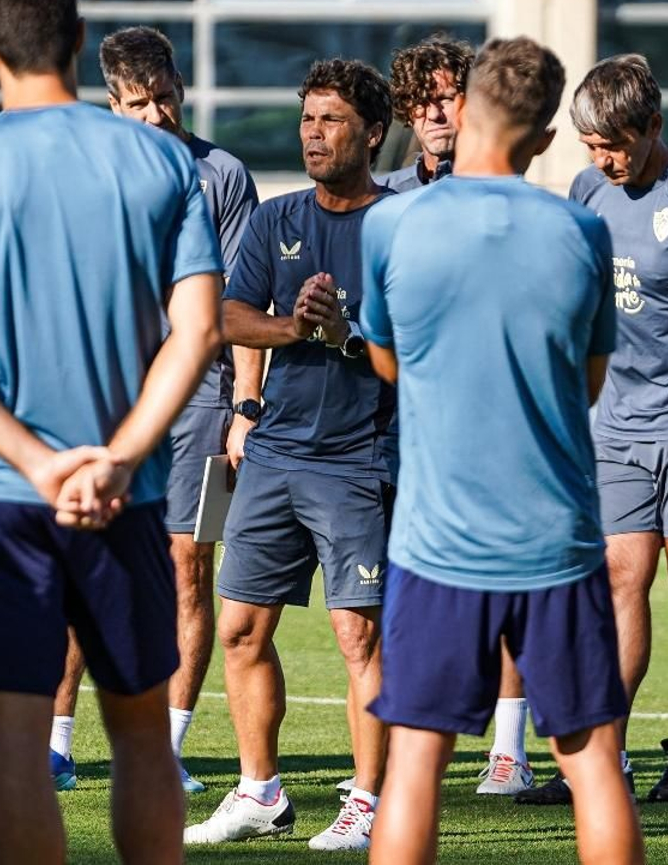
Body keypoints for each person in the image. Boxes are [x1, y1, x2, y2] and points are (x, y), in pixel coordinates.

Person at [0, 0, 223, 860]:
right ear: (80, 42)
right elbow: (194, 334)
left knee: (17, 759)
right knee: (144, 742)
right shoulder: (163, 160)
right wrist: (117, 458)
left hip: (4, 496)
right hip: (131, 495)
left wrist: (41, 466)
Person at [361, 34, 644, 865]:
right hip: (557, 543)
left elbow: (388, 363)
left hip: (437, 547)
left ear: (468, 107)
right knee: (593, 763)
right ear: (549, 139)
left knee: (414, 765)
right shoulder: (583, 234)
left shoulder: (391, 224)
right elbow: (588, 381)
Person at [519, 52, 668, 806]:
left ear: (654, 126)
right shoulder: (589, 188)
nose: (604, 159)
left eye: (617, 144)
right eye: (592, 146)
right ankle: (606, 758)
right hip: (618, 419)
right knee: (621, 577)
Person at [184, 58, 396, 852]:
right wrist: (296, 329)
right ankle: (259, 792)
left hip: (360, 458)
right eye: (308, 118)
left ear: (373, 133)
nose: (314, 133)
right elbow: (230, 316)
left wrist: (346, 333)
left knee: (359, 638)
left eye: (331, 119)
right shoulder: (276, 221)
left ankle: (369, 802)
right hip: (273, 453)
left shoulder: (399, 225)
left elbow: (418, 338)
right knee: (239, 628)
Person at [45, 24, 259, 795]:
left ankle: (161, 750)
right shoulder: (85, 172)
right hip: (105, 397)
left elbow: (238, 301)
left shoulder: (223, 174)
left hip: (201, 397)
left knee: (184, 569)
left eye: (165, 98)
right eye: (139, 104)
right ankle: (57, 744)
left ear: (180, 87)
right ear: (113, 103)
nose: (157, 115)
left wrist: (245, 403)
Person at [382, 33, 534, 798]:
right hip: (400, 436)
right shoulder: (388, 203)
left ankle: (508, 748)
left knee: (508, 595)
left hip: (497, 434)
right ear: (408, 109)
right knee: (398, 601)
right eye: (428, 98)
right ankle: (392, 762)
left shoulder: (523, 202)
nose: (441, 110)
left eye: (453, 94)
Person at [378, 36, 470, 192]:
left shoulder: (501, 197)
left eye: (446, 99)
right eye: (420, 102)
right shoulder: (384, 197)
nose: (434, 114)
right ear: (406, 110)